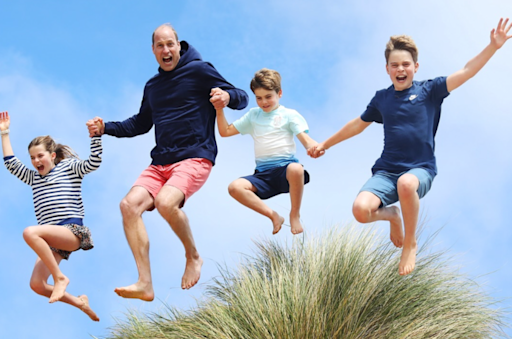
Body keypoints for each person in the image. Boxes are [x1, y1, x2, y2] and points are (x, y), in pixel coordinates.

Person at [309, 18, 512, 276]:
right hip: (386, 172)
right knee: (360, 211)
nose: (400, 69)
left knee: (406, 183)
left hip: (420, 169)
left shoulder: (430, 90)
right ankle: (393, 216)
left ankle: (410, 243)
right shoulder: (382, 98)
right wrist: (325, 144)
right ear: (387, 69)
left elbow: (467, 70)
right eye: (395, 65)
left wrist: (493, 47)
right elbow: (357, 125)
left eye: (406, 64)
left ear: (416, 67)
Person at [86, 23, 248, 300]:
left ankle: (193, 256)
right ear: (153, 50)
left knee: (165, 202)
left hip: (195, 156)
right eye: (160, 46)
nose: (166, 50)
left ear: (178, 45)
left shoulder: (199, 70)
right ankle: (145, 283)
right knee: (128, 206)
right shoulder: (153, 86)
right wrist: (106, 128)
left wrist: (226, 96)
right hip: (160, 162)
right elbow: (139, 124)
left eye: (170, 44)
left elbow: (242, 98)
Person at [1, 111, 102, 321]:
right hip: (52, 240)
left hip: (71, 231)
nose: (36, 160)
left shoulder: (68, 168)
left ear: (52, 156)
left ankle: (59, 278)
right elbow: (11, 163)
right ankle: (80, 302)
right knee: (36, 285)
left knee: (30, 232)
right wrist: (5, 133)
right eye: (32, 158)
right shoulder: (34, 178)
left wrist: (96, 138)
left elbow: (93, 163)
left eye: (40, 156)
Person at [214, 68, 317, 235]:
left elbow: (306, 140)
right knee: (234, 187)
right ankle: (273, 216)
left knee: (296, 168)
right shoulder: (253, 115)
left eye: (268, 96)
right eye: (259, 98)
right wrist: (219, 109)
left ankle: (294, 214)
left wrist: (312, 147)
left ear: (279, 93)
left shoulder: (289, 114)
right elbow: (225, 131)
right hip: (263, 176)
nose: (264, 102)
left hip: (286, 172)